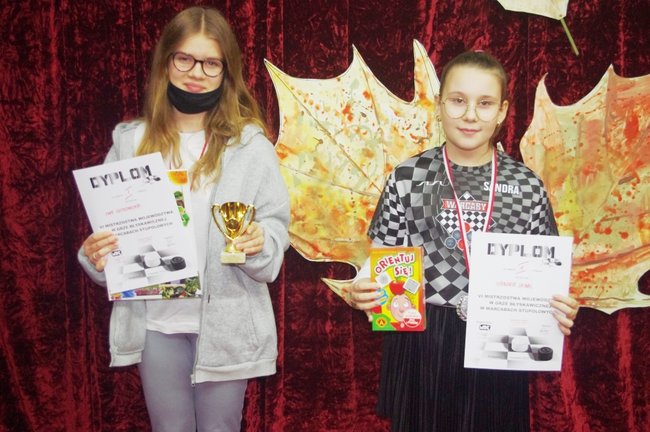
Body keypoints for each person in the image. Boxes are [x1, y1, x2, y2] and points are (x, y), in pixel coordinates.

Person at [77, 7, 290, 432]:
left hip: (227, 323)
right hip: (156, 321)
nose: (196, 73)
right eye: (185, 59)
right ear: (166, 61)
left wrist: (259, 242)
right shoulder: (130, 141)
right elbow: (109, 236)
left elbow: (275, 229)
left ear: (227, 71)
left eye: (211, 63)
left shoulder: (250, 145)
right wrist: (96, 256)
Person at [346, 51, 580, 431]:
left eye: (484, 103)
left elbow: (545, 276)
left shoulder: (527, 187)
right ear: (439, 105)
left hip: (501, 340)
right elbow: (381, 263)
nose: (470, 115)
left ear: (502, 111)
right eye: (458, 100)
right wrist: (364, 290)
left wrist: (558, 308)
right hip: (422, 342)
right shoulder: (407, 178)